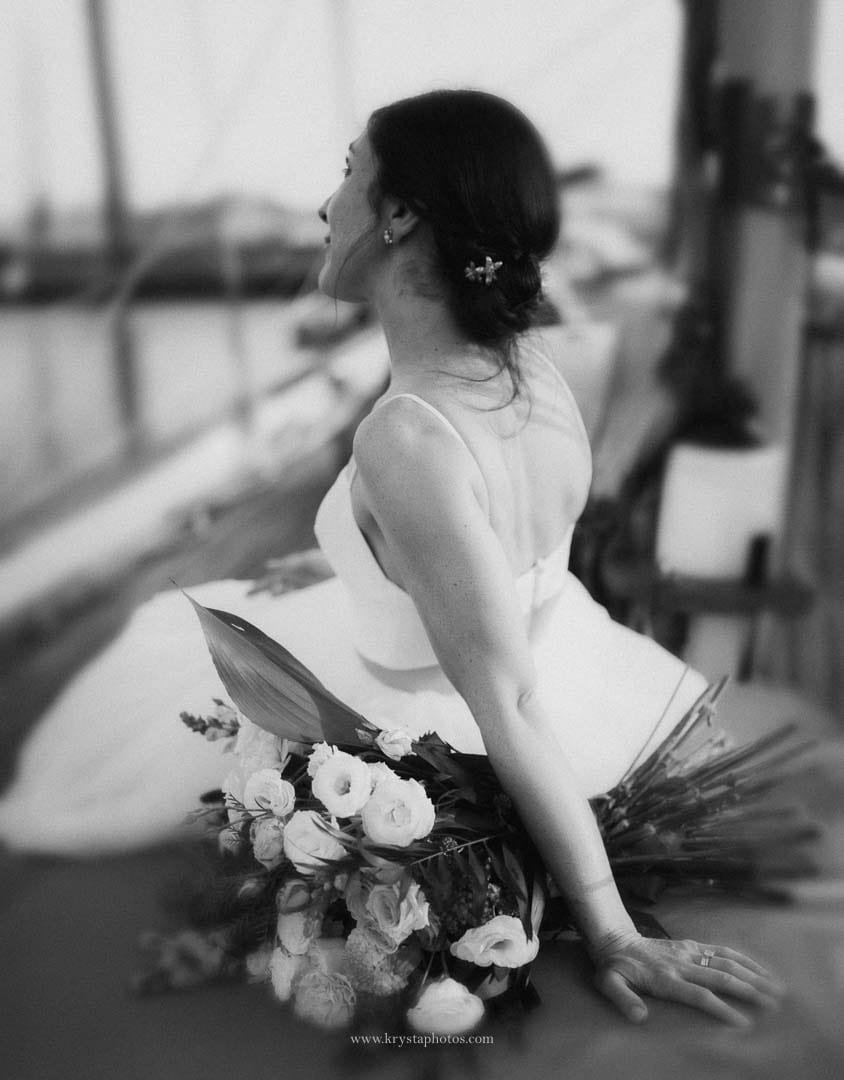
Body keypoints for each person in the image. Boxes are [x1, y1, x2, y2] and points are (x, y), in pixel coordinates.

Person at [0, 90, 782, 1025]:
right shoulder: (530, 368)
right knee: (203, 615)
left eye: (347, 174)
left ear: (401, 214)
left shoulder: (406, 438)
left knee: (148, 664)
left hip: (455, 712)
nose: (325, 205)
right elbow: (487, 557)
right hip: (557, 653)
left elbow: (509, 703)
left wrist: (614, 931)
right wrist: (356, 563)